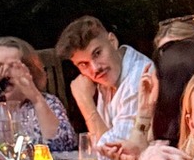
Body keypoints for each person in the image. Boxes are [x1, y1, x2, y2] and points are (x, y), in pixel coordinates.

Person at [106, 35, 194, 160]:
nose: (148, 85)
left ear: (170, 89)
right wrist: (143, 114)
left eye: (155, 78)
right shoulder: (171, 144)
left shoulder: (177, 154)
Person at [0, 37, 77, 152]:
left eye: (13, 66)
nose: (4, 72)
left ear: (29, 72)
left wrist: (36, 99)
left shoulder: (48, 102)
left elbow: (64, 145)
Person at [55, 15, 155, 149]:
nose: (95, 68)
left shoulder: (139, 79)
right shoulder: (111, 74)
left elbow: (115, 155)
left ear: (113, 41)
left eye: (97, 53)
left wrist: (85, 102)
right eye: (84, 64)